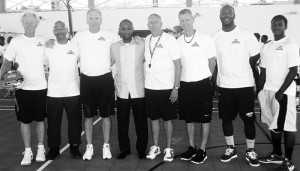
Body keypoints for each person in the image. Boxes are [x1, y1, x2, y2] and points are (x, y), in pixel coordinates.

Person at [212, 5, 261, 167]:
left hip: (244, 86)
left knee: (248, 120)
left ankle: (250, 151)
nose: (226, 15)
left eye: (229, 12)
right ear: (219, 16)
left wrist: (241, 69)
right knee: (226, 119)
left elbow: (255, 58)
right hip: (225, 86)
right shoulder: (216, 37)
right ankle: (230, 148)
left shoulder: (246, 35)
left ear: (234, 15)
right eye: (223, 12)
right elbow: (217, 64)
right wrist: (215, 83)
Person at [0, 11, 47, 165]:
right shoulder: (16, 41)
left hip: (41, 87)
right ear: (22, 23)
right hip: (22, 88)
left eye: (31, 21)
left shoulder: (43, 41)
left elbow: (53, 59)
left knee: (40, 120)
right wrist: (0, 79)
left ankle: (40, 148)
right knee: (25, 121)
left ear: (36, 23)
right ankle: (27, 151)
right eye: (26, 21)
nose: (29, 23)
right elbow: (6, 63)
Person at [72, 8, 117, 161]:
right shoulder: (79, 35)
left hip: (105, 80)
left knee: (106, 116)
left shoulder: (110, 35)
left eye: (96, 17)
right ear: (87, 20)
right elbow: (69, 51)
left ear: (101, 19)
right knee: (88, 117)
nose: (94, 20)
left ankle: (106, 146)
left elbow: (120, 51)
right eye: (91, 18)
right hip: (86, 80)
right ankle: (89, 147)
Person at [257, 15, 299, 171]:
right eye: (274, 24)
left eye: (280, 24)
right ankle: (276, 154)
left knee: (288, 127)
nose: (276, 26)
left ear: (285, 26)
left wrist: (281, 91)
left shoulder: (290, 44)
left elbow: (293, 70)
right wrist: (260, 90)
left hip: (284, 93)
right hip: (269, 90)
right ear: (270, 26)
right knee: (273, 125)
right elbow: (264, 71)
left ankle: (288, 161)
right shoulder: (267, 46)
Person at [177, 9, 216, 164]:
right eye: (182, 20)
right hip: (185, 85)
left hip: (202, 85)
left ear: (192, 20)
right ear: (179, 22)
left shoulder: (205, 39)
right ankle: (192, 147)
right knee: (189, 119)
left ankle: (202, 149)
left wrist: (205, 78)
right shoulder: (178, 41)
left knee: (204, 120)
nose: (185, 23)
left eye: (187, 20)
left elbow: (212, 61)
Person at [144, 14, 181, 162]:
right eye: (150, 22)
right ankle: (156, 146)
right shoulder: (146, 39)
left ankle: (168, 148)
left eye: (156, 22)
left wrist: (176, 88)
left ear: (161, 23)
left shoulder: (170, 39)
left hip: (167, 87)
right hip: (150, 87)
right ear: (148, 25)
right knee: (153, 119)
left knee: (167, 120)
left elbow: (178, 65)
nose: (153, 25)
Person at [44, 21, 82, 160]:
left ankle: (75, 147)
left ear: (66, 29)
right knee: (53, 123)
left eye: (61, 27)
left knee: (75, 122)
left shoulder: (76, 46)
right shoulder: (48, 47)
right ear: (53, 31)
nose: (59, 30)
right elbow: (40, 63)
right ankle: (54, 148)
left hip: (73, 91)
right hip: (54, 92)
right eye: (56, 28)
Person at [111, 19, 148, 160]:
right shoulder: (113, 47)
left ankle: (141, 150)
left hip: (138, 90)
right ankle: (124, 149)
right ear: (119, 30)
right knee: (122, 123)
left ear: (133, 29)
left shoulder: (141, 44)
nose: (126, 31)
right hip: (122, 91)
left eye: (129, 28)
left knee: (141, 123)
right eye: (123, 29)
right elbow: (108, 63)